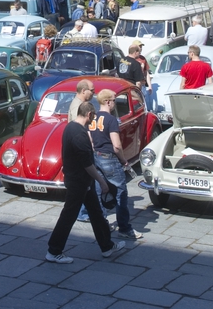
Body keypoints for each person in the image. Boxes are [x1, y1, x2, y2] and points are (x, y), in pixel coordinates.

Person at [45, 101, 123, 263]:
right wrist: (102, 182)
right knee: (68, 216)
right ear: (88, 114)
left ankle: (107, 246)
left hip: (81, 182)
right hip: (78, 182)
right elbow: (87, 164)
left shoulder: (70, 128)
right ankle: (54, 251)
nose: (93, 120)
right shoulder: (79, 134)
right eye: (93, 117)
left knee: (96, 213)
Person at [91, 89, 141, 240]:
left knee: (100, 191)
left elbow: (91, 140)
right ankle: (124, 228)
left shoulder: (93, 117)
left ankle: (103, 224)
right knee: (120, 193)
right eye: (113, 100)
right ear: (107, 102)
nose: (114, 103)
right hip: (109, 157)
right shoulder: (111, 119)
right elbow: (117, 146)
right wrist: (123, 160)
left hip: (95, 157)